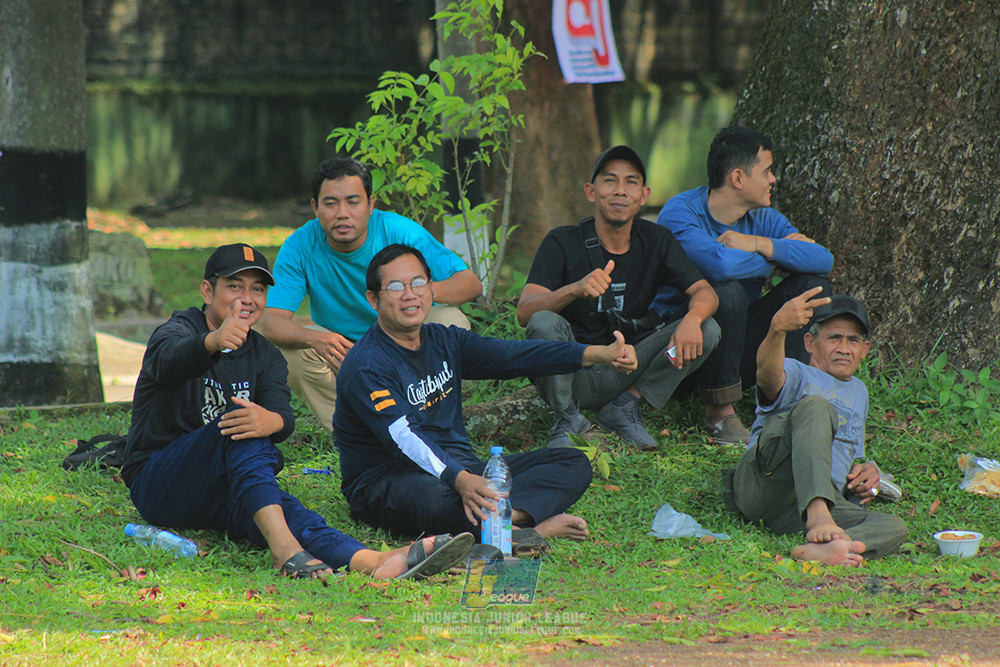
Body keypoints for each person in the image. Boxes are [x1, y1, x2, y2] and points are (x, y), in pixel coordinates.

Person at [121, 243, 473, 581]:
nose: (247, 298)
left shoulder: (265, 355)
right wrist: (213, 342)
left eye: (258, 290)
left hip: (220, 483)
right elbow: (166, 359)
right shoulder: (179, 330)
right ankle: (285, 552)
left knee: (284, 509)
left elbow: (282, 417)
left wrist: (271, 420)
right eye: (234, 287)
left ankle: (373, 561)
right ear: (207, 291)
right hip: (159, 481)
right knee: (242, 428)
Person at [335, 244, 639, 545]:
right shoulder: (367, 365)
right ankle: (527, 530)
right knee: (436, 500)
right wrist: (461, 480)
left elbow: (513, 355)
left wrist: (597, 353)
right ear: (374, 299)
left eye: (418, 283)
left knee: (573, 464)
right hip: (390, 481)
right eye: (396, 287)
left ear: (430, 288)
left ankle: (501, 523)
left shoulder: (444, 339)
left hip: (462, 470)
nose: (410, 294)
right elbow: (404, 439)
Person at [516, 145, 720, 450]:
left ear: (644, 195)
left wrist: (691, 318)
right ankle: (567, 417)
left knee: (708, 328)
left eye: (631, 182)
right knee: (544, 322)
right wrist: (575, 289)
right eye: (610, 181)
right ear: (591, 191)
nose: (620, 191)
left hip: (628, 366)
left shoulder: (656, 240)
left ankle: (625, 407)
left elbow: (705, 293)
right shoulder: (561, 241)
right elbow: (525, 313)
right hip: (573, 372)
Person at [258, 157, 483, 431]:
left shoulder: (398, 231)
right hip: (345, 354)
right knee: (289, 354)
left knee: (450, 320)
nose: (342, 213)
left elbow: (470, 284)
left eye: (353, 202)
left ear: (371, 204)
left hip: (404, 345)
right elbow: (271, 322)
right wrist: (318, 339)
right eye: (331, 203)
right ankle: (354, 431)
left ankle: (430, 420)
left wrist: (414, 292)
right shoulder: (300, 246)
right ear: (315, 207)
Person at [654, 126, 833, 445]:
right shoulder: (681, 212)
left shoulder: (763, 220)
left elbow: (822, 260)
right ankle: (720, 413)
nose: (773, 179)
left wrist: (757, 243)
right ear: (738, 178)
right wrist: (775, 259)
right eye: (766, 171)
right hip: (682, 351)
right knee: (727, 291)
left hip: (737, 345)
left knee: (811, 285)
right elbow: (719, 266)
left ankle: (781, 402)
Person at [729, 289, 907, 566]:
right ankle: (818, 514)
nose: (844, 348)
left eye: (853, 340)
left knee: (894, 526)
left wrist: (867, 472)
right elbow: (767, 375)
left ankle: (832, 548)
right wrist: (777, 329)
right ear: (810, 343)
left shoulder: (859, 392)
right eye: (834, 338)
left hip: (801, 510)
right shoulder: (796, 372)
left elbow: (842, 454)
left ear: (865, 349)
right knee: (816, 406)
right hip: (766, 485)